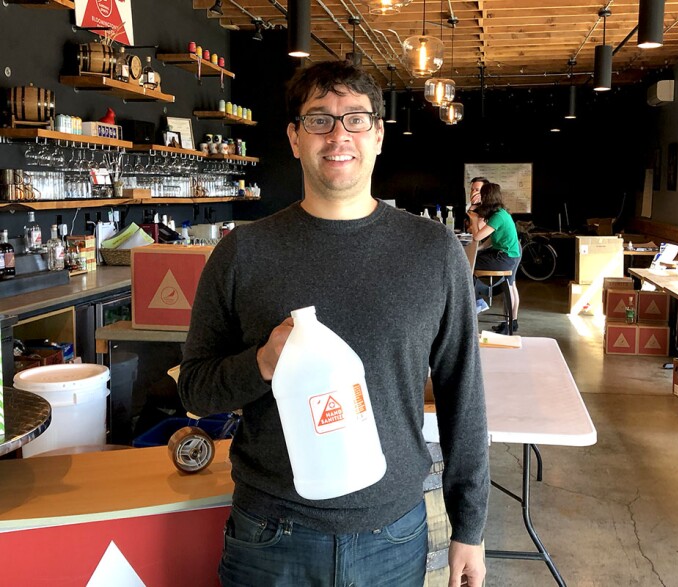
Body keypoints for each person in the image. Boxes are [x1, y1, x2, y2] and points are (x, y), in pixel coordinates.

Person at [178, 60, 489, 587]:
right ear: (294, 138)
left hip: (392, 533)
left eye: (356, 119)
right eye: (319, 119)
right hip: (271, 536)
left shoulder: (433, 252)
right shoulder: (241, 254)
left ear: (379, 136)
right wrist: (262, 362)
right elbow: (196, 389)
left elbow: (464, 395)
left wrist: (470, 528)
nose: (338, 134)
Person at [468, 182, 522, 334]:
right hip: (506, 253)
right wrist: (477, 249)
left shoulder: (498, 216)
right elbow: (492, 239)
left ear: (487, 196)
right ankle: (510, 322)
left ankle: (478, 302)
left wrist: (473, 217)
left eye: (481, 194)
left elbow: (477, 235)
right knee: (470, 259)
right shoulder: (499, 213)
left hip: (506, 257)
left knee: (467, 263)